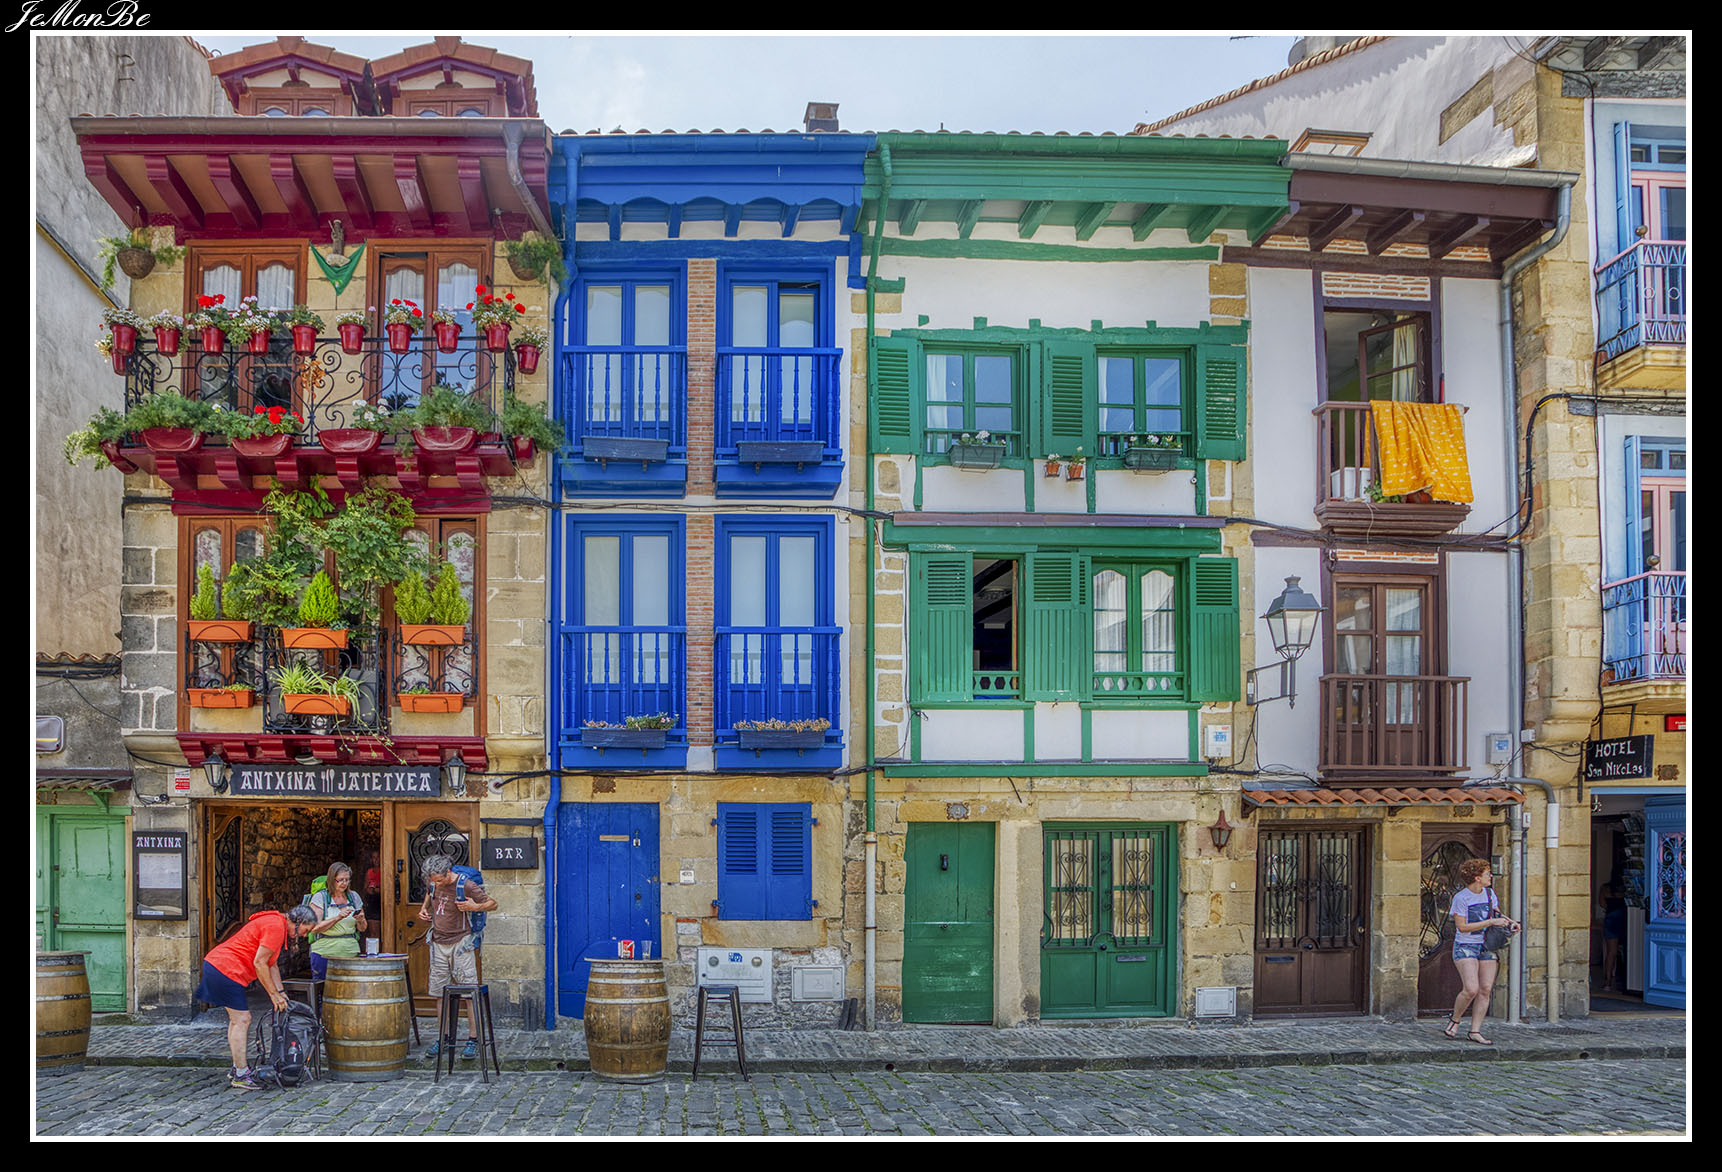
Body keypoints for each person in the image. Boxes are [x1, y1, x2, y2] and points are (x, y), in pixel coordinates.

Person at [195, 904, 318, 1091]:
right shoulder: (276, 926)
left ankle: (238, 1069)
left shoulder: (277, 924)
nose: (304, 935)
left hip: (220, 966)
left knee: (237, 1020)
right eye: (305, 930)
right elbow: (260, 963)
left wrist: (281, 993)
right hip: (226, 968)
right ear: (298, 922)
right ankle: (241, 1074)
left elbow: (271, 964)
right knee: (242, 1020)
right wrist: (273, 995)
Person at [419, 854, 497, 1060]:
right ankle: (443, 1038)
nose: (436, 883)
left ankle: (473, 1039)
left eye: (439, 880)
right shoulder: (433, 883)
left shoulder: (466, 885)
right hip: (438, 943)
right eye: (433, 880)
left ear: (448, 872)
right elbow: (429, 893)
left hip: (461, 943)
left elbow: (492, 903)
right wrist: (424, 909)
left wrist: (475, 907)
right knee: (439, 993)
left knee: (469, 992)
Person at [1443, 858, 1520, 1045]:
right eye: (1487, 874)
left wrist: (1511, 922)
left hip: (1486, 945)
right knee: (1471, 988)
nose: (1490, 876)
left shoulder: (1489, 893)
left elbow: (1496, 914)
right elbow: (1462, 927)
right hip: (1466, 946)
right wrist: (1490, 922)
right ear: (1477, 878)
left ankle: (1475, 1031)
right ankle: (1455, 1019)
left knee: (1485, 989)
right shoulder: (1461, 898)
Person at [306, 861, 367, 981]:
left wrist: (360, 920)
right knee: (323, 988)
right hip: (324, 954)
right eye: (340, 880)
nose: (344, 883)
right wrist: (337, 918)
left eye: (347, 880)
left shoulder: (354, 897)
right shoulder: (320, 898)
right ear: (331, 879)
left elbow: (362, 928)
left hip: (350, 953)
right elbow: (315, 928)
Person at [1599, 880, 1628, 992]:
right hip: (1626, 919)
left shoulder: (1605, 888)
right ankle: (1627, 980)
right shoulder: (1625, 887)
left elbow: (1602, 904)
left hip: (1611, 919)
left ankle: (1608, 981)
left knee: (1611, 952)